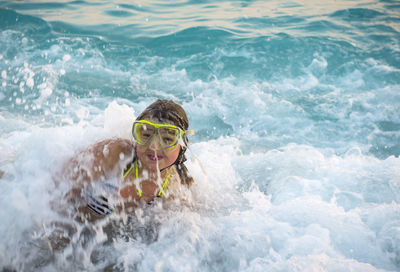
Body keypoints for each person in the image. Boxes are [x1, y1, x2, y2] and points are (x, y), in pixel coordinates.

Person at [62, 99, 195, 221]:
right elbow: (62, 184)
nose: (154, 146)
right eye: (146, 135)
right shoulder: (115, 155)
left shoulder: (175, 187)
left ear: (182, 146)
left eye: (167, 139)